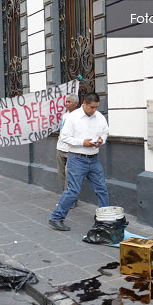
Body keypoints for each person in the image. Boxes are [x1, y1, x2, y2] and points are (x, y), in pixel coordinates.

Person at [48, 92, 109, 231]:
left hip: (93, 158)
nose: (94, 110)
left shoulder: (99, 117)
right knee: (73, 190)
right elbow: (64, 137)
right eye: (92, 107)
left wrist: (101, 140)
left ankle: (105, 219)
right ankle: (56, 218)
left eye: (96, 107)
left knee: (102, 189)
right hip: (77, 158)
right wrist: (82, 143)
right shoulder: (73, 117)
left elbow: (105, 132)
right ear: (84, 104)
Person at [56, 94, 80, 208]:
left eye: (69, 102)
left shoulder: (79, 116)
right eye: (66, 101)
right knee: (61, 174)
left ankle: (70, 200)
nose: (66, 104)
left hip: (71, 150)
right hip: (60, 148)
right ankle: (65, 197)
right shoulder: (65, 115)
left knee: (69, 175)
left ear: (76, 104)